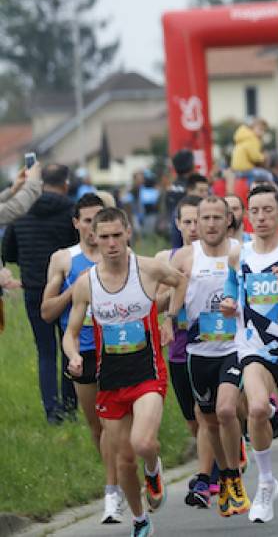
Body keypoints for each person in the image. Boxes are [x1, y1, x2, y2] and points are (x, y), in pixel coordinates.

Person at [62, 207, 184, 537]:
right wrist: (73, 355)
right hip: (111, 381)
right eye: (105, 237)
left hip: (148, 373)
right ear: (93, 238)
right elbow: (70, 332)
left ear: (128, 233)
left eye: (118, 235)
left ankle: (154, 469)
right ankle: (140, 518)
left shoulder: (148, 269)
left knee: (143, 443)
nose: (112, 243)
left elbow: (179, 280)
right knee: (124, 460)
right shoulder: (86, 284)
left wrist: (170, 318)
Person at [218, 184, 278, 523]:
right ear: (245, 215)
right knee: (257, 408)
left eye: (267, 210)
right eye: (254, 211)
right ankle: (265, 482)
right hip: (253, 345)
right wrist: (228, 304)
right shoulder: (238, 253)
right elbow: (231, 287)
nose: (260, 217)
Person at [39, 193, 125, 523]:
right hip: (82, 351)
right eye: (87, 220)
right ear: (76, 223)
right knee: (97, 426)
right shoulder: (63, 259)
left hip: (118, 349)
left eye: (99, 219)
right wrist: (73, 291)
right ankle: (115, 481)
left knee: (119, 423)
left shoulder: (121, 255)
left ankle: (117, 483)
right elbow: (47, 312)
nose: (93, 227)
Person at [170, 197, 250, 518]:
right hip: (198, 353)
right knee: (210, 421)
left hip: (232, 348)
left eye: (219, 217)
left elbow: (255, 290)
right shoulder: (185, 258)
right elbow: (166, 295)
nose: (212, 223)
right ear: (197, 222)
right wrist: (166, 317)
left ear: (228, 220)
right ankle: (227, 476)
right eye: (206, 218)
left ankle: (236, 477)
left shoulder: (239, 252)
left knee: (226, 410)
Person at [153, 195, 218, 508]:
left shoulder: (219, 255)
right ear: (178, 224)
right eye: (188, 222)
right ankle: (218, 458)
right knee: (193, 421)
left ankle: (211, 474)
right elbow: (156, 301)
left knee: (207, 415)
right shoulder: (169, 258)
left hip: (215, 344)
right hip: (179, 349)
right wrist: (177, 289)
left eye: (199, 220)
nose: (194, 227)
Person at [2, 163, 78, 424]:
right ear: (65, 183)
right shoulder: (71, 211)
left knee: (45, 351)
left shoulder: (22, 210)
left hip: (34, 288)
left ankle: (51, 411)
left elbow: (8, 251)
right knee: (70, 344)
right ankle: (70, 407)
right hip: (67, 289)